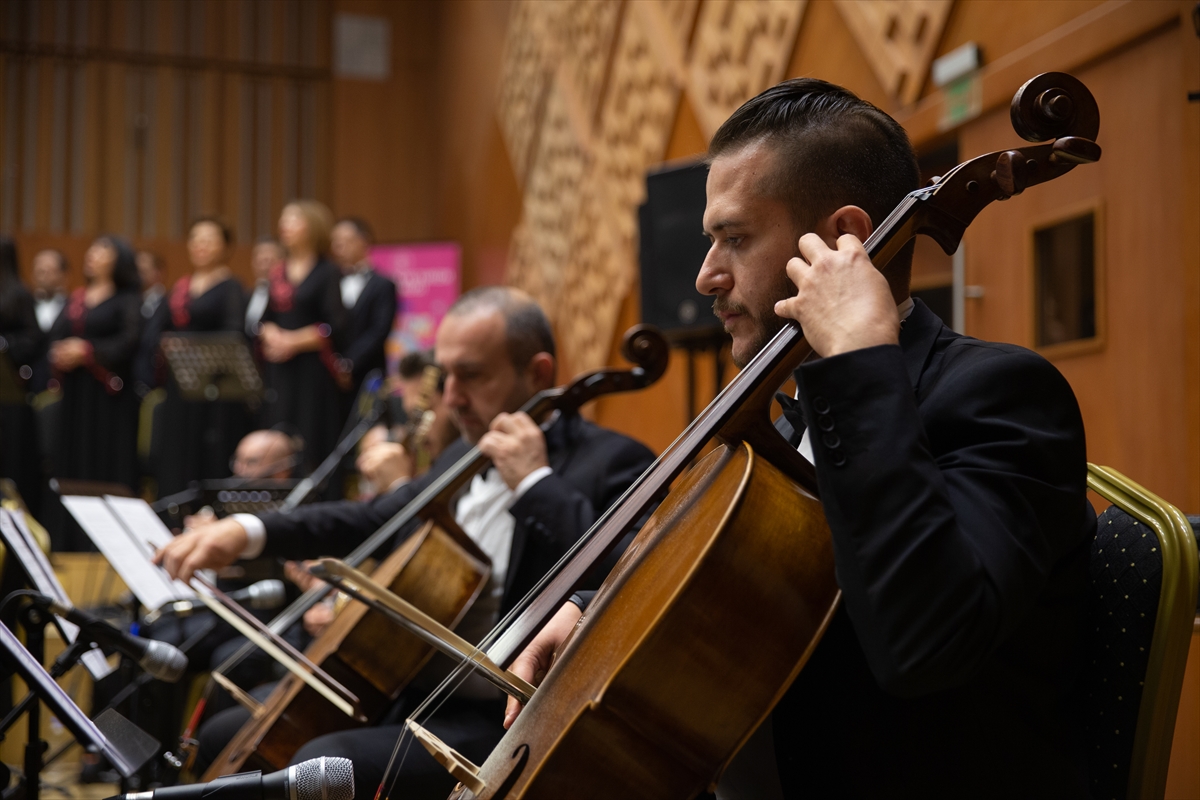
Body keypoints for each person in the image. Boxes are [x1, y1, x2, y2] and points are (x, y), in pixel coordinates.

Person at [506, 79, 1095, 799]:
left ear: (841, 241)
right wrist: (591, 604)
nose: (706, 277)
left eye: (735, 238)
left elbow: (924, 645)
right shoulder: (791, 415)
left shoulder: (1000, 396)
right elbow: (712, 571)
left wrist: (858, 361)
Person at [155, 286, 657, 798]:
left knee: (319, 766)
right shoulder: (460, 457)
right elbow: (371, 517)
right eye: (446, 376)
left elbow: (635, 575)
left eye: (474, 375)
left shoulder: (614, 463)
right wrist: (246, 532)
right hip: (414, 693)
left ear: (539, 375)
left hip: (504, 720)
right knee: (223, 734)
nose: (452, 397)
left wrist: (534, 485)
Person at [147, 217, 252, 497]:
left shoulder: (231, 287)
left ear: (226, 247)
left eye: (209, 239)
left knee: (208, 450)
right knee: (176, 449)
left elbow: (234, 333)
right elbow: (156, 331)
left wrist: (189, 345)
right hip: (180, 384)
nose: (201, 245)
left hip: (214, 387)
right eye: (196, 239)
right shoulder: (181, 287)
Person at [47, 235, 144, 509]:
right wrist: (60, 352)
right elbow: (54, 336)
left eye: (103, 250)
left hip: (110, 397)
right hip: (76, 394)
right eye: (92, 250)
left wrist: (87, 351)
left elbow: (129, 341)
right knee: (72, 458)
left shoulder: (127, 299)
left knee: (106, 457)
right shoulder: (77, 299)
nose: (93, 254)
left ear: (119, 259)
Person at [257, 201, 349, 484]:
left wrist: (292, 341)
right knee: (278, 434)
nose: (285, 225)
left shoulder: (327, 271)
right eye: (284, 219)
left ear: (312, 227)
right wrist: (271, 333)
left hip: (313, 371)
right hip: (280, 371)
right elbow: (265, 317)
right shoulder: (279, 271)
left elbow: (336, 325)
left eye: (294, 219)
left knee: (311, 437)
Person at [0, 237, 46, 514]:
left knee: (11, 463)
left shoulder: (18, 293)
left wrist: (4, 346)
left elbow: (33, 341)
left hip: (10, 396)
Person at [330, 217, 397, 401]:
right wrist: (333, 363)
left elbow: (379, 330)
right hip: (329, 374)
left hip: (367, 372)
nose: (339, 247)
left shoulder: (383, 285)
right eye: (336, 242)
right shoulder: (328, 282)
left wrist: (349, 363)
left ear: (364, 242)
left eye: (346, 241)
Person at [244, 239, 282, 338]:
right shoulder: (246, 294)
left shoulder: (287, 296)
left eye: (270, 261)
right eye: (261, 261)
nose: (265, 267)